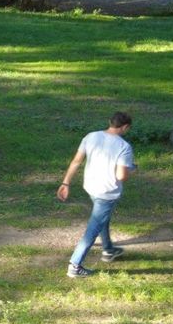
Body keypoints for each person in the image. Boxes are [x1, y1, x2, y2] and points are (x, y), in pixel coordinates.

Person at [57, 112, 136, 278]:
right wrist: (132, 169)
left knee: (102, 219)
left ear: (110, 122)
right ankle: (75, 265)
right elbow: (121, 176)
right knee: (93, 229)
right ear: (125, 127)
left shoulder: (91, 136)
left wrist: (65, 183)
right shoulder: (124, 147)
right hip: (107, 192)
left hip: (91, 187)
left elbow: (76, 161)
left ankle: (108, 250)